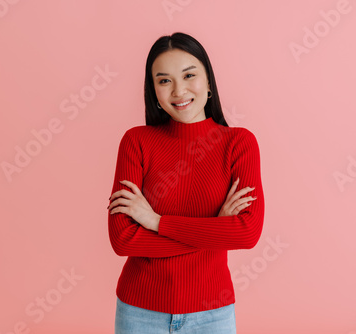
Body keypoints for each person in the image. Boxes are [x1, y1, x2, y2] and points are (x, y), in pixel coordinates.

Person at [107, 32, 264, 334]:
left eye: (189, 75)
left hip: (212, 314)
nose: (179, 91)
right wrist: (215, 229)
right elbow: (123, 240)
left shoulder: (239, 144)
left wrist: (155, 222)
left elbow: (246, 233)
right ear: (153, 91)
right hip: (140, 312)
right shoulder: (136, 142)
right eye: (164, 81)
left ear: (208, 82)